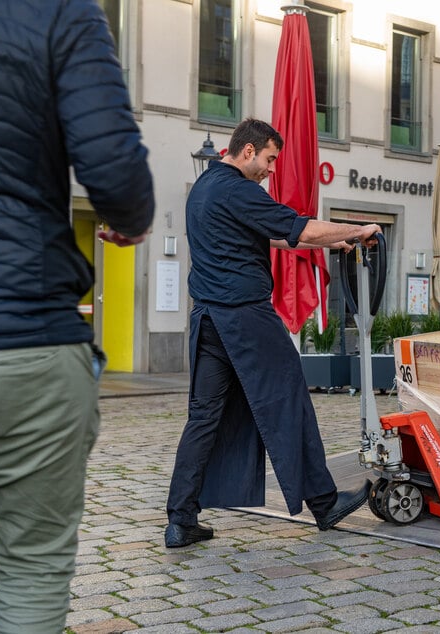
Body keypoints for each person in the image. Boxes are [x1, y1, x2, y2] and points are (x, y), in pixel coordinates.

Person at [0, 0, 156, 630]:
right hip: (28, 339)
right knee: (31, 572)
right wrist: (129, 221)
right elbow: (115, 171)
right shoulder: (58, 11)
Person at [165, 118, 379, 548]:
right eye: (269, 158)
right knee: (289, 399)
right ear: (247, 151)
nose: (271, 168)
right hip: (245, 318)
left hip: (207, 320)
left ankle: (180, 519)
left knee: (203, 419)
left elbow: (276, 238)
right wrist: (358, 230)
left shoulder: (203, 190)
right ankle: (324, 502)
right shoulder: (239, 189)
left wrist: (329, 244)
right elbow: (298, 226)